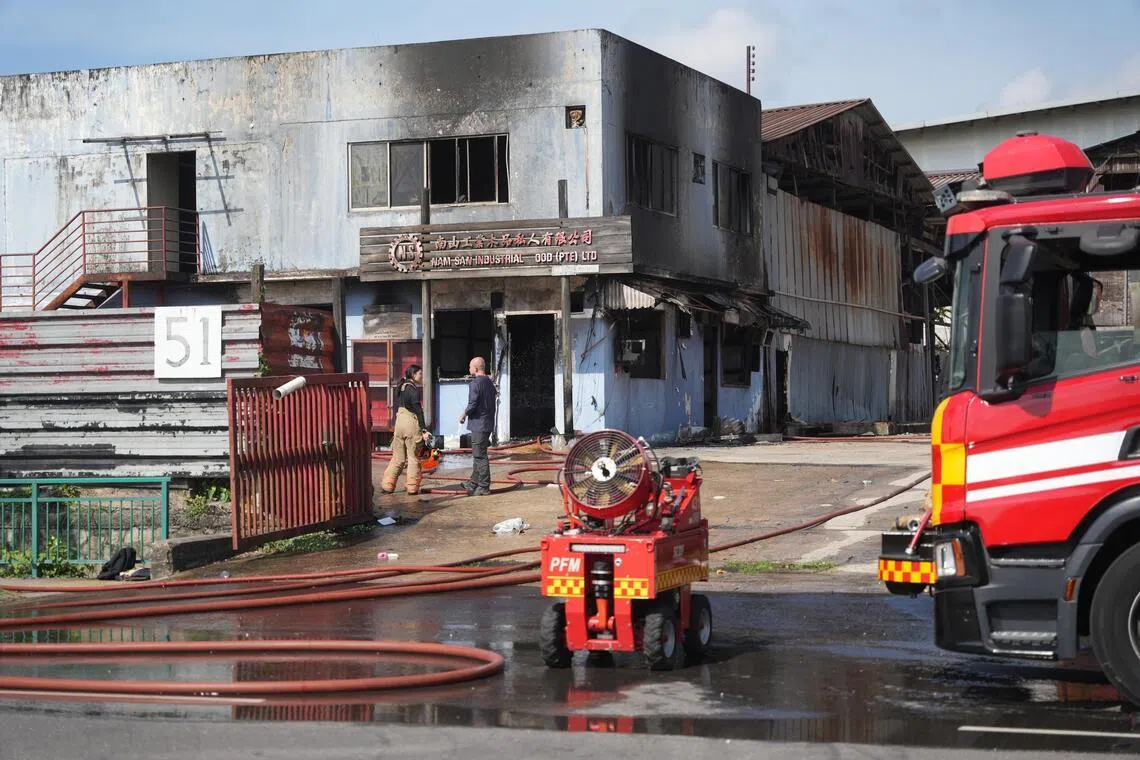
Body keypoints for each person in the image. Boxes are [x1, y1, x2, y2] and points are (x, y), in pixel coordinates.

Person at [381, 365, 433, 496]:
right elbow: (418, 411)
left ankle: (388, 485)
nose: (422, 376)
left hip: (399, 424)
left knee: (398, 458)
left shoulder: (401, 387)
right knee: (414, 458)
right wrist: (424, 430)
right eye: (420, 374)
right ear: (414, 375)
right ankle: (412, 488)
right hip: (411, 424)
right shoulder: (413, 391)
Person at [459, 356, 496, 496]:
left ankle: (484, 486)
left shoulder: (475, 383)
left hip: (479, 424)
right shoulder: (489, 382)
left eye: (470, 366)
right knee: (478, 454)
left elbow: (473, 403)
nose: (469, 369)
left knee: (480, 456)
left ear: (475, 368)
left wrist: (464, 414)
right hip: (487, 423)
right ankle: (474, 482)